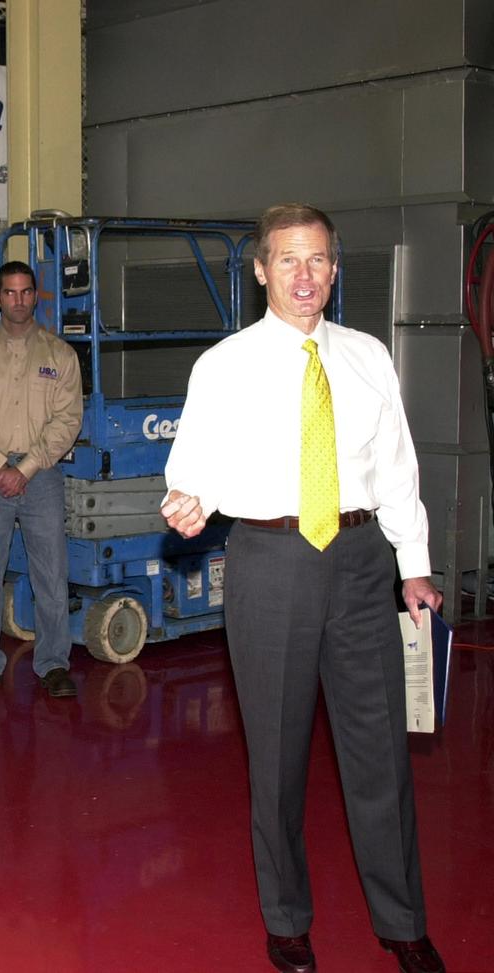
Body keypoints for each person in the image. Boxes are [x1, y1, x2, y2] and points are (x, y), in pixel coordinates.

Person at [161, 203, 446, 973]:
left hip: (361, 563)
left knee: (380, 752)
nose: (305, 276)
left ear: (334, 267)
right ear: (259, 270)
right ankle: (287, 919)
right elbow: (195, 461)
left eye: (318, 259)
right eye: (288, 260)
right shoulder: (224, 364)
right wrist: (188, 497)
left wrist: (412, 563)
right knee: (278, 758)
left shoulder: (367, 356)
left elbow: (397, 467)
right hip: (271, 559)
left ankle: (403, 923)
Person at [0, 260, 83, 698]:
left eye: (27, 292)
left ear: (36, 296)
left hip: (41, 475)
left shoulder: (60, 356)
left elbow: (68, 421)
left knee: (51, 573)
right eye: (10, 292)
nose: (19, 300)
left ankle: (53, 663)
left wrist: (24, 468)